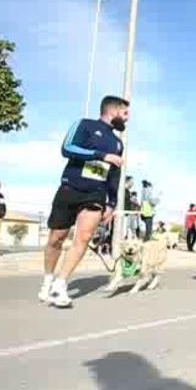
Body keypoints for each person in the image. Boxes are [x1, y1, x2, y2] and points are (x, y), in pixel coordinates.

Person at [38, 95, 128, 308]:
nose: (127, 119)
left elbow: (114, 175)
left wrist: (112, 203)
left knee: (84, 237)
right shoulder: (85, 125)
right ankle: (48, 280)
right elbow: (67, 148)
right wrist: (100, 155)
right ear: (113, 111)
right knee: (56, 239)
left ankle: (60, 285)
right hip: (71, 188)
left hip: (96, 194)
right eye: (125, 114)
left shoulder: (117, 142)